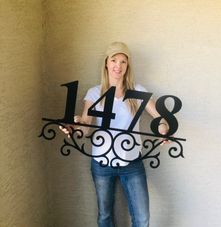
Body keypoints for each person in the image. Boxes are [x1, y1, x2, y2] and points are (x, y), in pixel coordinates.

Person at [60, 42, 169, 227]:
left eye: (123, 61)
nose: (118, 65)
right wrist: (73, 127)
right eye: (114, 60)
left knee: (142, 219)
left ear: (128, 66)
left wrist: (164, 130)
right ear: (106, 63)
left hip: (132, 162)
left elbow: (161, 119)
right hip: (102, 164)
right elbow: (85, 128)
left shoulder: (137, 92)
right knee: (105, 216)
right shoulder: (94, 93)